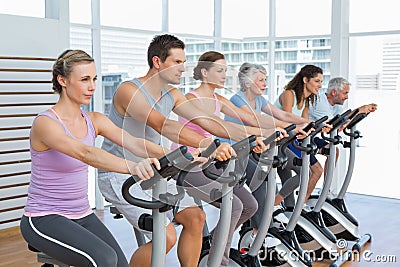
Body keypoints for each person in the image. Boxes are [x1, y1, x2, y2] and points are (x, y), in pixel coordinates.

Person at [98, 35, 279, 267]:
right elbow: (163, 124)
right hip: (121, 173)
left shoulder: (171, 94)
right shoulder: (129, 90)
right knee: (167, 237)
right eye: (177, 62)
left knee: (196, 218)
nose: (183, 68)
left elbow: (207, 121)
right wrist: (208, 145)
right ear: (157, 61)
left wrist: (255, 136)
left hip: (155, 170)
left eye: (184, 61)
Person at [19, 49, 166, 267]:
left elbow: (135, 143)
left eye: (94, 79)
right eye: (85, 79)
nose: (92, 87)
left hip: (82, 214)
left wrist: (182, 155)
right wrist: (133, 167)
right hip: (43, 217)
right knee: (104, 260)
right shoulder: (46, 123)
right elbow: (85, 153)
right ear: (63, 80)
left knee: (119, 264)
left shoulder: (94, 120)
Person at [222, 62, 313, 241]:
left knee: (269, 177)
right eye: (261, 80)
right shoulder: (237, 100)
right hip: (234, 150)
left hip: (254, 147)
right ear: (247, 83)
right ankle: (259, 229)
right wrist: (291, 128)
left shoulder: (260, 100)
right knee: (261, 177)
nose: (265, 84)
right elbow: (258, 121)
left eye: (265, 80)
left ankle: (265, 223)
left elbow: (283, 116)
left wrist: (304, 123)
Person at [274, 64, 325, 205]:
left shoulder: (306, 100)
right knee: (309, 172)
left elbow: (304, 124)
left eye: (321, 81)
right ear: (305, 80)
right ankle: (276, 203)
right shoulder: (289, 94)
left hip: (291, 139)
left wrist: (318, 127)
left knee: (287, 177)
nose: (320, 85)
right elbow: (287, 119)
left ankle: (291, 210)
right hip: (279, 141)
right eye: (317, 81)